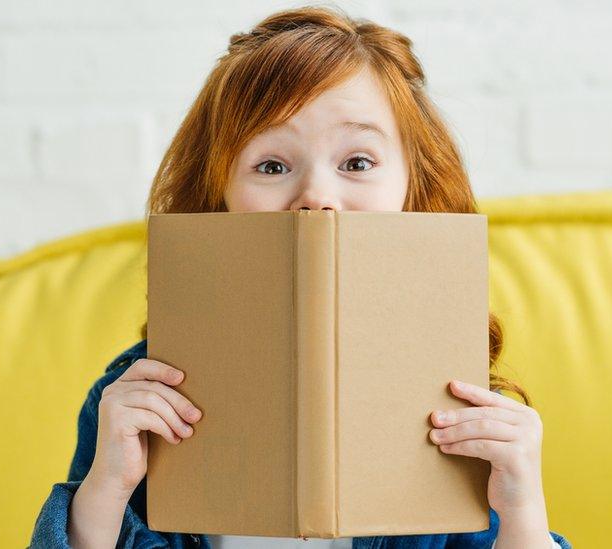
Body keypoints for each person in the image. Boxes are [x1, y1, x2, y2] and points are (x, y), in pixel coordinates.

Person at [30, 5, 572, 549]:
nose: (317, 198)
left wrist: (522, 511)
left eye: (358, 162)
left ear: (413, 186)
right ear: (217, 197)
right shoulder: (137, 396)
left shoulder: (465, 399)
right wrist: (104, 490)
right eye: (271, 166)